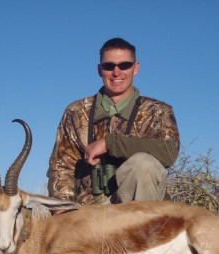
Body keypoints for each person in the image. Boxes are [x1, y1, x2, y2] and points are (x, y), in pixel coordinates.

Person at [47, 37, 180, 205]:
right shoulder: (76, 111)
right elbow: (62, 164)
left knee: (144, 164)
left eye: (124, 65)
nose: (116, 72)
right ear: (99, 69)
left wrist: (110, 143)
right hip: (89, 209)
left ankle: (141, 229)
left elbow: (168, 152)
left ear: (136, 68)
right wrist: (62, 209)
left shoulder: (158, 111)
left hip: (140, 209)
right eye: (109, 66)